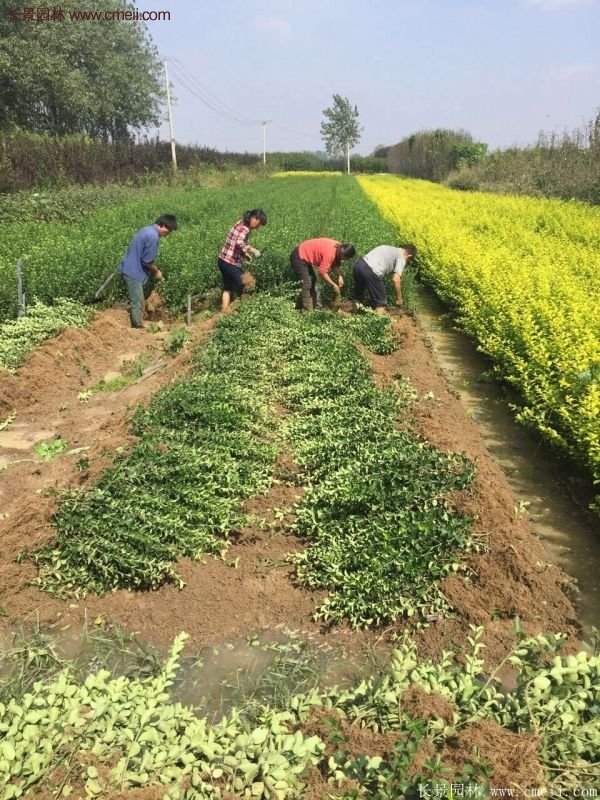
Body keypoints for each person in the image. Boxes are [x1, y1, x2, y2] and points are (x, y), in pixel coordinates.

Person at [118, 214, 178, 328]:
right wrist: (156, 272)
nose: (167, 235)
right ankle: (138, 327)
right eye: (168, 231)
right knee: (138, 302)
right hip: (133, 271)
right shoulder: (153, 236)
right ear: (163, 226)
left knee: (139, 299)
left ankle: (138, 322)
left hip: (129, 267)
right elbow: (147, 261)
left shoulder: (147, 229)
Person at [218, 209, 267, 312]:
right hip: (229, 262)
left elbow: (235, 243)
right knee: (245, 283)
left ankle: (224, 310)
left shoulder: (240, 222)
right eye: (259, 224)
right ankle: (240, 310)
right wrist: (253, 250)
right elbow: (239, 242)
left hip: (222, 260)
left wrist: (245, 254)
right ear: (254, 219)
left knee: (228, 287)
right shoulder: (245, 228)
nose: (258, 227)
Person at [290, 238, 356, 311]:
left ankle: (300, 308)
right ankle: (307, 312)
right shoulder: (330, 254)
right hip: (299, 256)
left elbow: (335, 264)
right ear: (342, 251)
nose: (342, 260)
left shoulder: (339, 248)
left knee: (312, 280)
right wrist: (333, 285)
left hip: (304, 255)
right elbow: (322, 272)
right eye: (343, 257)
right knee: (307, 283)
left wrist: (340, 276)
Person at [352, 244, 417, 314]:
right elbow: (396, 279)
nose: (406, 263)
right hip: (370, 271)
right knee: (381, 303)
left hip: (359, 265)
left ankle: (354, 316)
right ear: (409, 256)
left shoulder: (389, 248)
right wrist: (399, 298)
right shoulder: (402, 256)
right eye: (408, 261)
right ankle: (378, 323)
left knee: (358, 297)